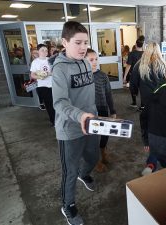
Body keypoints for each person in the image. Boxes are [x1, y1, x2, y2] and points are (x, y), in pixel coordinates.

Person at [51, 21, 99, 225]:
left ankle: (84, 173)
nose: (83, 47)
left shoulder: (87, 62)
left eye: (86, 42)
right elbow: (59, 103)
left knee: (93, 158)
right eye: (77, 42)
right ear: (64, 42)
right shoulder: (59, 70)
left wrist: (97, 115)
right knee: (69, 172)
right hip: (70, 130)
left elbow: (88, 95)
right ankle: (67, 205)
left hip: (92, 124)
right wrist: (80, 116)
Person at [86, 48, 116, 172]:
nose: (94, 62)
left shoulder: (103, 76)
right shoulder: (83, 77)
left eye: (96, 59)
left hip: (103, 107)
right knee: (92, 137)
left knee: (105, 133)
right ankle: (96, 160)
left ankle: (103, 152)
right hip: (90, 111)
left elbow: (108, 94)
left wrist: (112, 110)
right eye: (91, 59)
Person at [30, 44, 55, 125]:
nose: (45, 52)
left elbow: (55, 71)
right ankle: (53, 121)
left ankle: (59, 119)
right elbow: (32, 75)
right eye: (42, 50)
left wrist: (48, 74)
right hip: (42, 86)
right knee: (49, 105)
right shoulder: (35, 62)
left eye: (46, 50)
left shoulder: (51, 60)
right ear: (38, 51)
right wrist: (40, 77)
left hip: (53, 85)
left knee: (56, 103)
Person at [123, 37, 144, 107]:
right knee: (142, 89)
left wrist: (125, 76)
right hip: (143, 74)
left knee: (133, 88)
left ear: (135, 44)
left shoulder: (131, 53)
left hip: (133, 74)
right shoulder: (145, 53)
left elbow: (128, 65)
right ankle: (142, 105)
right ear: (142, 45)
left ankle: (134, 102)